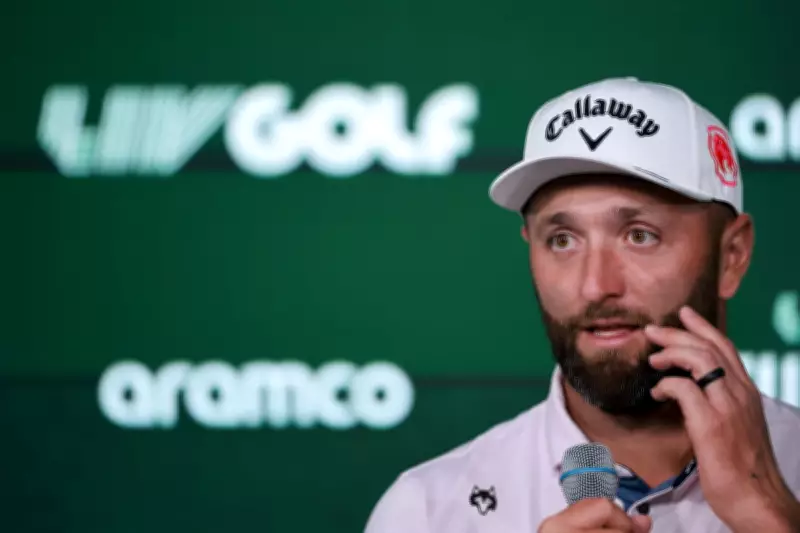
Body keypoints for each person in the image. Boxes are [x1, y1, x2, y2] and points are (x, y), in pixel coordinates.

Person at [363, 77, 800, 533]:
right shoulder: (429, 512)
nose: (595, 286)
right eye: (562, 240)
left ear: (731, 256)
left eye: (639, 236)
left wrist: (767, 516)